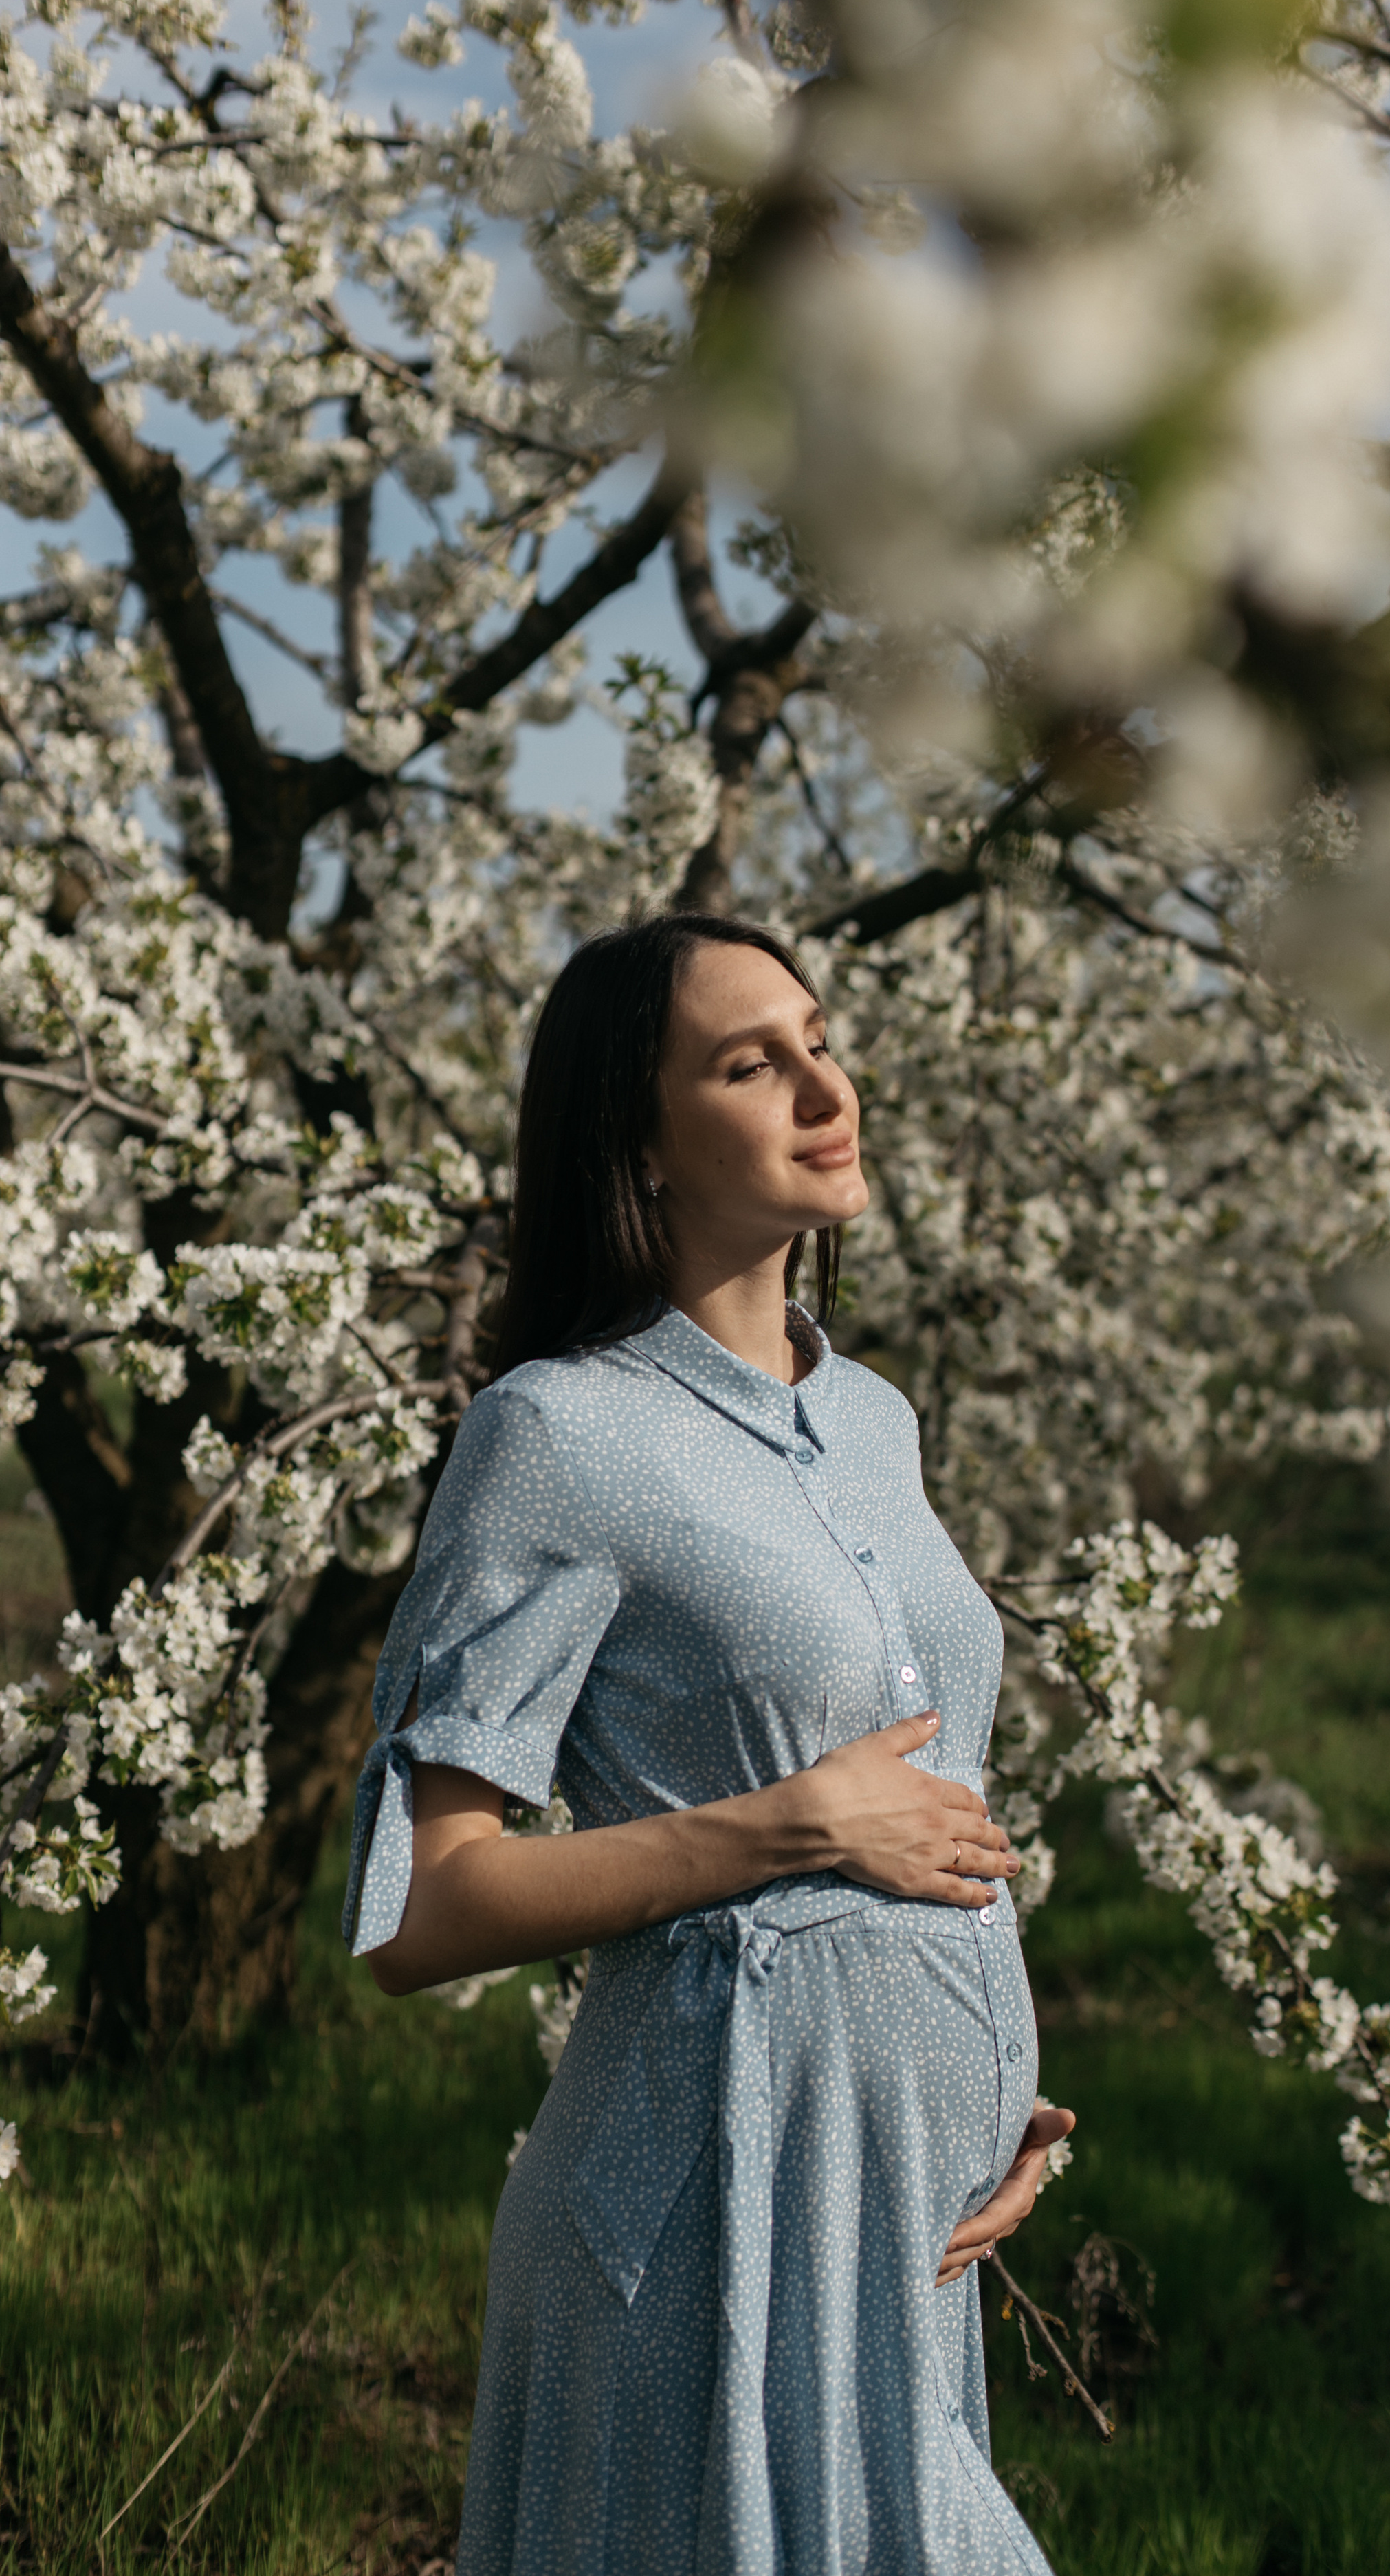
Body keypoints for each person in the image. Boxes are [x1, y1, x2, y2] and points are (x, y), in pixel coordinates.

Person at [343, 911, 1075, 2575]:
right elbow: (419, 1912)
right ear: (640, 1142)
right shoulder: (554, 1436)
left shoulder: (874, 1417)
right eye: (755, 1065)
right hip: (706, 2225)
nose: (827, 1086)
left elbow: (924, 1807)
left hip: (890, 2219)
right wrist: (789, 1828)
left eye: (821, 1039)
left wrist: (975, 2096)